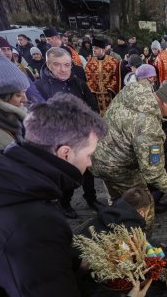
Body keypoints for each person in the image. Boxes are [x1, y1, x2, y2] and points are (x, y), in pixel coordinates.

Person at [0, 93, 107, 296]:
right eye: (89, 155)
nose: (90, 163)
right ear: (65, 153)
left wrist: (72, 263)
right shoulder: (37, 223)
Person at [90, 79, 167, 232]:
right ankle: (141, 242)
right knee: (144, 204)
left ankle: (117, 220)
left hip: (99, 152)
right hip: (116, 166)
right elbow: (155, 175)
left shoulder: (138, 88)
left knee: (121, 200)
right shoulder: (149, 129)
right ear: (164, 102)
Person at [76, 187, 167, 296]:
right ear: (142, 212)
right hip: (91, 284)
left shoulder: (105, 216)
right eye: (147, 214)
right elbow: (159, 253)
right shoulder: (129, 229)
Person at [34, 47, 101, 218]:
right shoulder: (39, 87)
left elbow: (92, 106)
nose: (63, 69)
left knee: (88, 170)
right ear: (49, 65)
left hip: (82, 135)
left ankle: (91, 198)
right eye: (57, 65)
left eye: (67, 65)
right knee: (67, 174)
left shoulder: (78, 83)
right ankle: (64, 203)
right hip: (58, 141)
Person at [84, 37, 121, 116]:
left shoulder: (113, 62)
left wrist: (110, 88)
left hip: (110, 95)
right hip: (96, 97)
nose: (94, 50)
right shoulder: (90, 63)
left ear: (103, 50)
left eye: (96, 48)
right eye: (93, 48)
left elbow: (116, 78)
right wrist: (93, 89)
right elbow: (88, 78)